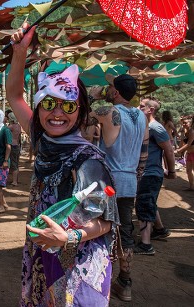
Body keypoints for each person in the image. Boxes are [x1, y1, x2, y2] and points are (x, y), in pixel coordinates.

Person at [7, 23, 119, 306]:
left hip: (78, 266)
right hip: (46, 252)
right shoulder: (43, 139)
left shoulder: (87, 159)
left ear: (80, 112)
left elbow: (105, 221)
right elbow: (14, 96)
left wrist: (69, 236)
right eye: (49, 104)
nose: (57, 113)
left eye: (68, 106)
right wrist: (19, 53)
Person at [89, 73, 149, 301]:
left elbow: (81, 116)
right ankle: (125, 282)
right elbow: (144, 154)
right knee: (125, 232)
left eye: (110, 88)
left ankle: (97, 279)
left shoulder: (108, 112)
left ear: (115, 92)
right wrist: (136, 176)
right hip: (129, 181)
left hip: (107, 182)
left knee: (97, 226)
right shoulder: (142, 117)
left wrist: (95, 95)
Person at [134, 97, 176, 255]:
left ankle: (146, 244)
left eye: (141, 106)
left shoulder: (155, 127)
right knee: (148, 201)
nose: (138, 107)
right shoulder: (145, 126)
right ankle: (160, 229)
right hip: (146, 173)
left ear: (150, 110)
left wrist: (171, 171)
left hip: (150, 173)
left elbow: (169, 150)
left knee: (144, 204)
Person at [175, 116, 194, 191]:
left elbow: (188, 144)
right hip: (189, 154)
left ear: (190, 123)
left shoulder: (192, 131)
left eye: (186, 123)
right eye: (183, 123)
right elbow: (182, 142)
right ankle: (191, 187)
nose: (184, 124)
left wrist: (179, 150)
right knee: (188, 171)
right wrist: (179, 150)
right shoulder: (185, 132)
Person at [7, 112, 22, 186]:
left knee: (13, 164)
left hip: (12, 145)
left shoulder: (11, 126)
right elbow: (19, 137)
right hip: (17, 145)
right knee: (16, 163)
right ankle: (15, 179)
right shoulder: (18, 126)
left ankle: (14, 181)